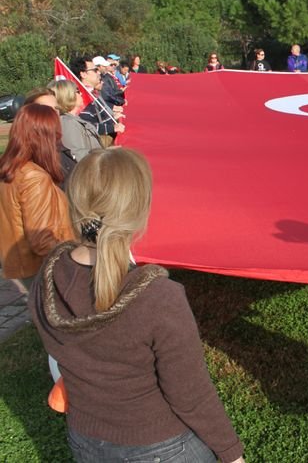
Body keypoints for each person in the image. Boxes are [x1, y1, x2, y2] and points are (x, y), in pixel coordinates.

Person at [28, 147, 245, 463]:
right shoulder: (159, 298)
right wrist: (232, 454)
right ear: (138, 211)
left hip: (86, 441)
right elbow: (190, 397)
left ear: (73, 205)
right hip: (158, 446)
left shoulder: (45, 280)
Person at [0, 104, 74, 288]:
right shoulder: (33, 177)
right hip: (40, 269)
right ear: (45, 136)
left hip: (23, 264)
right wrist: (72, 263)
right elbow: (42, 239)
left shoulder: (13, 168)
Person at [48, 79, 103, 161]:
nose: (80, 93)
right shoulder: (67, 123)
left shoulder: (72, 120)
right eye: (77, 91)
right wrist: (105, 155)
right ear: (68, 95)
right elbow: (77, 155)